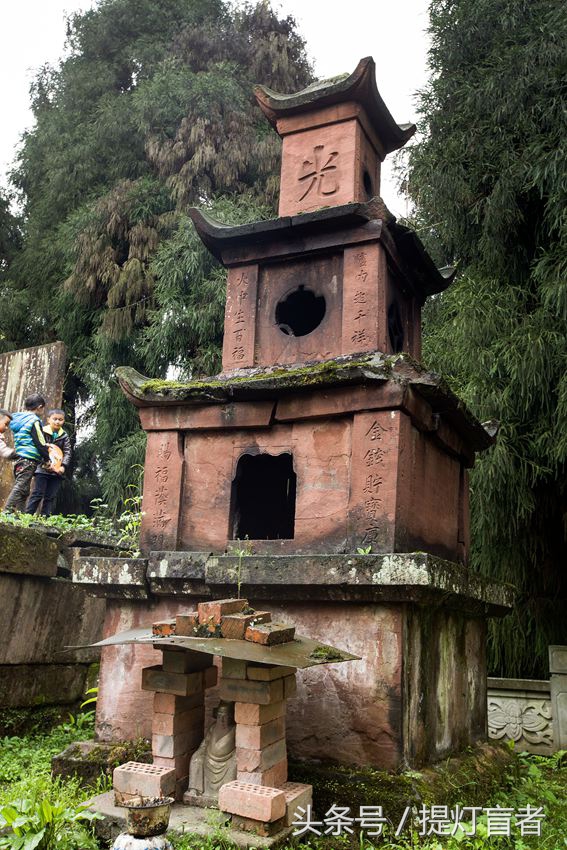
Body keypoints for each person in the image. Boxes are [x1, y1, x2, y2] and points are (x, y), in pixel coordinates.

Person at [4, 394, 50, 512]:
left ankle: (20, 515)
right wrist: (47, 457)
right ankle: (6, 511)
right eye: (43, 408)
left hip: (20, 458)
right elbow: (40, 441)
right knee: (20, 487)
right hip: (29, 459)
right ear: (40, 407)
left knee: (24, 490)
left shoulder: (19, 419)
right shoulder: (34, 421)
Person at [26, 409, 72, 517]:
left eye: (60, 420)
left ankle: (45, 518)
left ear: (63, 421)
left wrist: (63, 467)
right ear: (48, 420)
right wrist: (46, 463)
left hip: (57, 471)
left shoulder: (64, 436)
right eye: (54, 419)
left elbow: (67, 452)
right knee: (37, 494)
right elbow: (39, 448)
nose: (57, 422)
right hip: (42, 469)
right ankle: (27, 516)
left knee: (50, 496)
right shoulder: (42, 431)